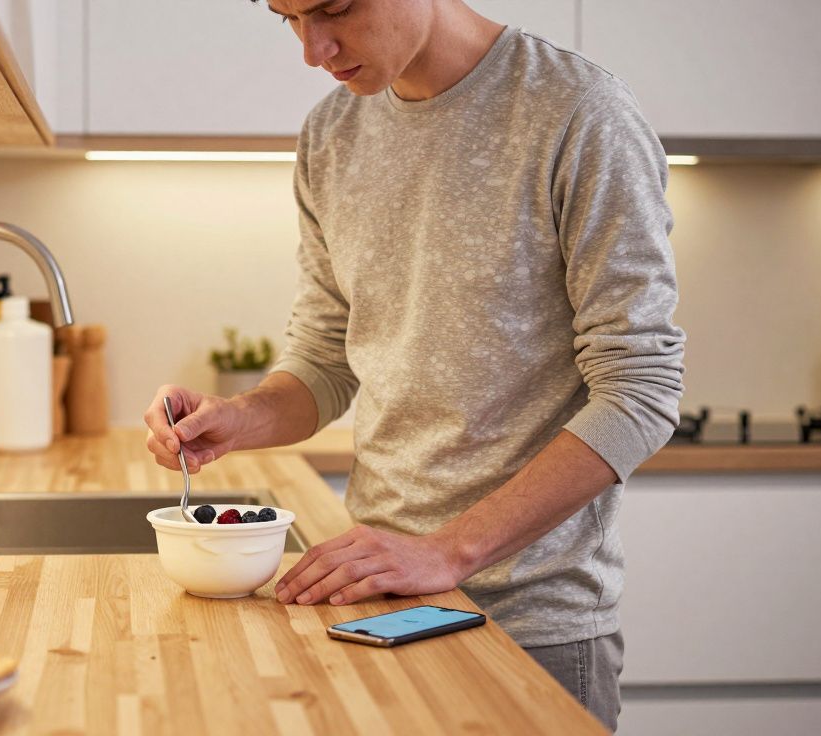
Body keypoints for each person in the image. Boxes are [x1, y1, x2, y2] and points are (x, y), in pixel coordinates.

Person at [142, 0, 685, 730]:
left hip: (530, 623)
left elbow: (641, 391)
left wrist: (448, 551)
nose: (313, 49)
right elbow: (328, 354)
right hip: (376, 600)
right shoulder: (333, 134)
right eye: (288, 18)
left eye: (333, 9)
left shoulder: (578, 113)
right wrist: (241, 417)